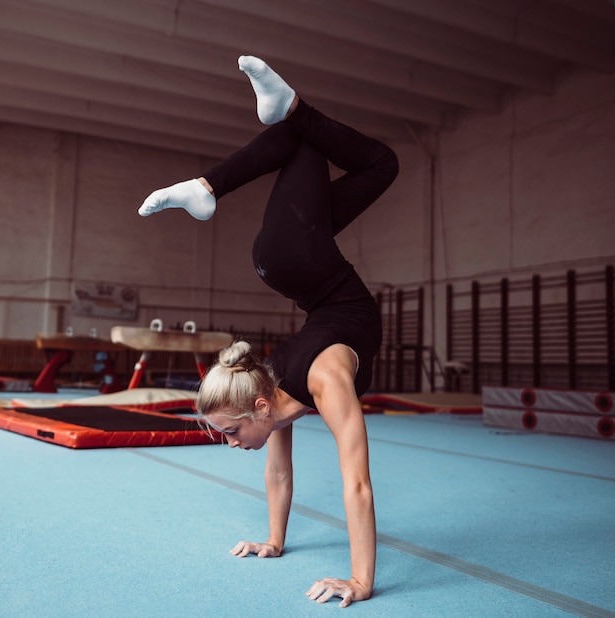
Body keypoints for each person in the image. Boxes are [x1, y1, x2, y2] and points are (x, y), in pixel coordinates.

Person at [138, 55, 399, 608]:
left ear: (256, 406)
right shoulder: (290, 392)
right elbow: (279, 473)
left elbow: (358, 485)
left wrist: (361, 580)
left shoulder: (308, 382)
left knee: (307, 139)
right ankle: (237, 158)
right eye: (228, 436)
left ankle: (213, 180)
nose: (232, 444)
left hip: (296, 260)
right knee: (377, 164)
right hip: (297, 263)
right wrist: (274, 542)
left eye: (230, 432)